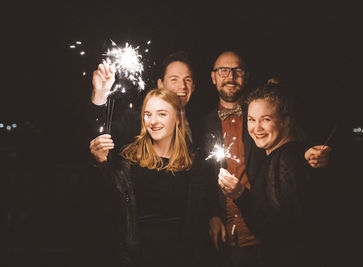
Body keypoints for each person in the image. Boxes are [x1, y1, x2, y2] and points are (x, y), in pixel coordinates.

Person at [197, 51, 330, 266]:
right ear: (213, 77)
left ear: (246, 77)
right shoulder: (202, 124)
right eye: (223, 71)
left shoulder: (261, 107)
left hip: (264, 240)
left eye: (237, 70)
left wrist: (307, 152)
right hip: (227, 238)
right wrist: (211, 215)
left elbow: (289, 140)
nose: (230, 76)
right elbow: (201, 180)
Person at [93, 88, 213, 267]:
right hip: (136, 259)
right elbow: (107, 204)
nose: (153, 121)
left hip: (181, 259)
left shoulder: (195, 165)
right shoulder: (129, 160)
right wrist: (100, 162)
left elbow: (200, 218)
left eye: (162, 114)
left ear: (177, 118)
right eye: (148, 114)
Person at [218, 83, 315, 266]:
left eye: (266, 119)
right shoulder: (279, 156)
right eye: (251, 119)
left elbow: (282, 230)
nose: (256, 128)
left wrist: (240, 195)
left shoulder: (286, 159)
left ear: (286, 121)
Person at [88, 51, 196, 162]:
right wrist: (100, 93)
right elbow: (101, 140)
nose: (182, 86)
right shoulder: (136, 120)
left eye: (188, 80)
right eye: (174, 79)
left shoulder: (200, 125)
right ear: (160, 84)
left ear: (193, 86)